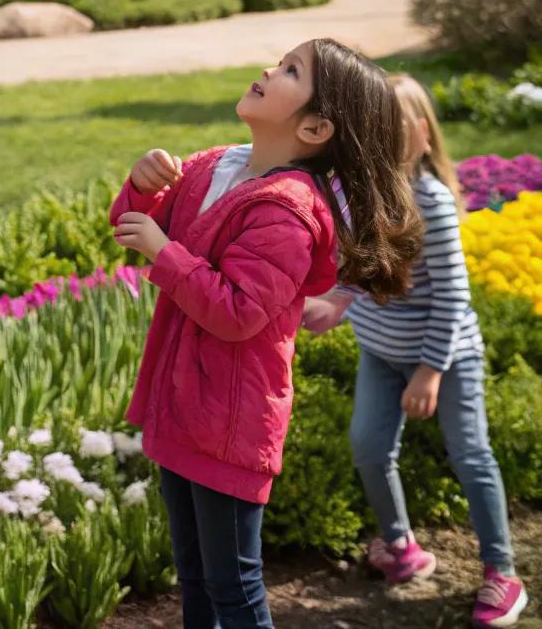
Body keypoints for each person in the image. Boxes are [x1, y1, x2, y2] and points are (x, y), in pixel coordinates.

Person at [111, 39, 423, 629]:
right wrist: (143, 184)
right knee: (196, 575)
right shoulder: (213, 166)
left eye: (290, 71)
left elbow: (238, 313)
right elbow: (136, 225)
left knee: (234, 586)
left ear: (316, 127)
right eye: (280, 62)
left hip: (230, 419)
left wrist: (165, 253)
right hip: (182, 406)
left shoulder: (288, 210)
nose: (267, 70)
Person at [305, 75, 527, 628]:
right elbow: (364, 269)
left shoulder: (431, 202)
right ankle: (402, 546)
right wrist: (336, 302)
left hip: (447, 359)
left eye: (390, 126)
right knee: (368, 448)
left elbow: (453, 297)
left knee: (471, 457)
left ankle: (502, 572)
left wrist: (429, 372)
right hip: (379, 354)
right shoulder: (359, 195)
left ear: (421, 134)